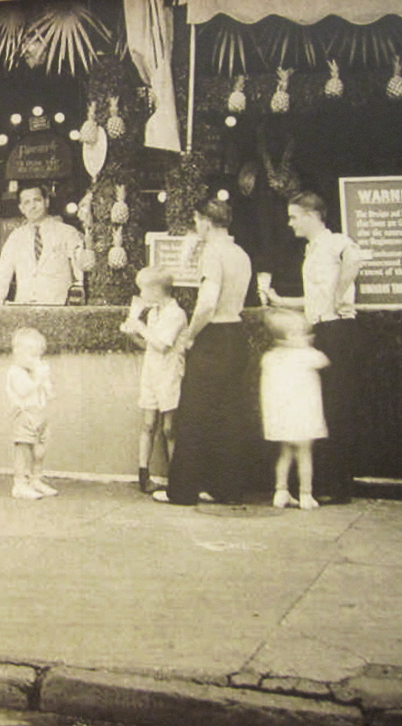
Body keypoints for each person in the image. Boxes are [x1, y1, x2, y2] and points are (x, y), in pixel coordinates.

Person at [259, 191, 370, 504]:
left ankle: (339, 485)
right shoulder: (312, 249)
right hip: (323, 327)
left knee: (337, 406)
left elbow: (355, 258)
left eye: (294, 216)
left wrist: (339, 293)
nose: (290, 223)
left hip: (339, 330)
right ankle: (325, 483)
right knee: (325, 407)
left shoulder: (334, 241)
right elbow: (315, 300)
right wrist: (283, 302)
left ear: (310, 215)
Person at [154, 197, 253, 506]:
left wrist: (189, 335)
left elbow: (208, 302)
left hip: (213, 337)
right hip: (236, 334)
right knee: (229, 415)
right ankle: (225, 487)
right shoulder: (240, 253)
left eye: (197, 221)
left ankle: (182, 491)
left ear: (206, 222)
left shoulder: (213, 252)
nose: (195, 227)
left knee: (194, 415)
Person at [119, 265, 188, 493]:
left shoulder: (176, 314)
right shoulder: (155, 312)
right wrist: (133, 333)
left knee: (169, 428)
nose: (141, 295)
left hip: (169, 375)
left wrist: (139, 325)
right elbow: (149, 345)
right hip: (152, 373)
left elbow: (161, 343)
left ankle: (177, 477)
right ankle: (143, 475)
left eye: (144, 290)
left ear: (157, 290)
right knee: (148, 424)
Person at [259, 308, 330, 510]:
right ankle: (306, 493)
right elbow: (323, 361)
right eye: (304, 334)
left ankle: (280, 491)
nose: (310, 337)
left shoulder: (270, 358)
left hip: (281, 419)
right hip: (303, 417)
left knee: (285, 454)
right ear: (291, 337)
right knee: (305, 455)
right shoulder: (305, 356)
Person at [0, 184, 84, 305]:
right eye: (27, 202)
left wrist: (77, 299)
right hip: (25, 307)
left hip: (58, 306)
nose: (32, 206)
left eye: (37, 200)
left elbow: (80, 270)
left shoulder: (67, 232)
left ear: (47, 202)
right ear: (21, 208)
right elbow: (2, 272)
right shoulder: (16, 237)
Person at [6, 327, 60, 499]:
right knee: (23, 449)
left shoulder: (35, 372)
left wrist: (46, 383)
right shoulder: (15, 371)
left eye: (38, 356)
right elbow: (23, 390)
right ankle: (20, 483)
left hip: (40, 415)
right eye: (31, 356)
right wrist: (38, 378)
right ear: (17, 353)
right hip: (24, 415)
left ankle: (35, 479)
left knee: (40, 450)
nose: (36, 360)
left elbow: (49, 393)